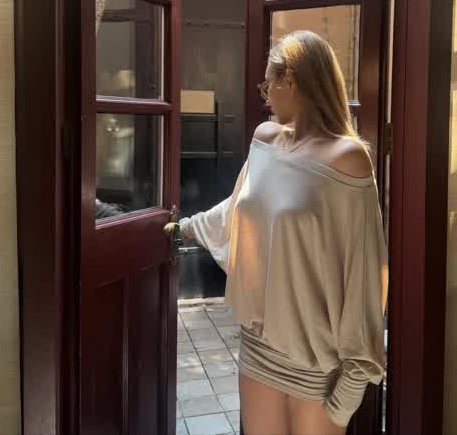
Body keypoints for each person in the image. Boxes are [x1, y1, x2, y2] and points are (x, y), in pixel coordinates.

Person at [165, 30, 387, 435]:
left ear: (294, 81)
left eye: (269, 84)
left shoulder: (348, 159)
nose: (265, 95)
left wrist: (352, 386)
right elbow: (237, 210)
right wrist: (184, 228)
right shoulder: (264, 139)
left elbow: (365, 270)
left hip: (316, 360)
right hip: (258, 348)